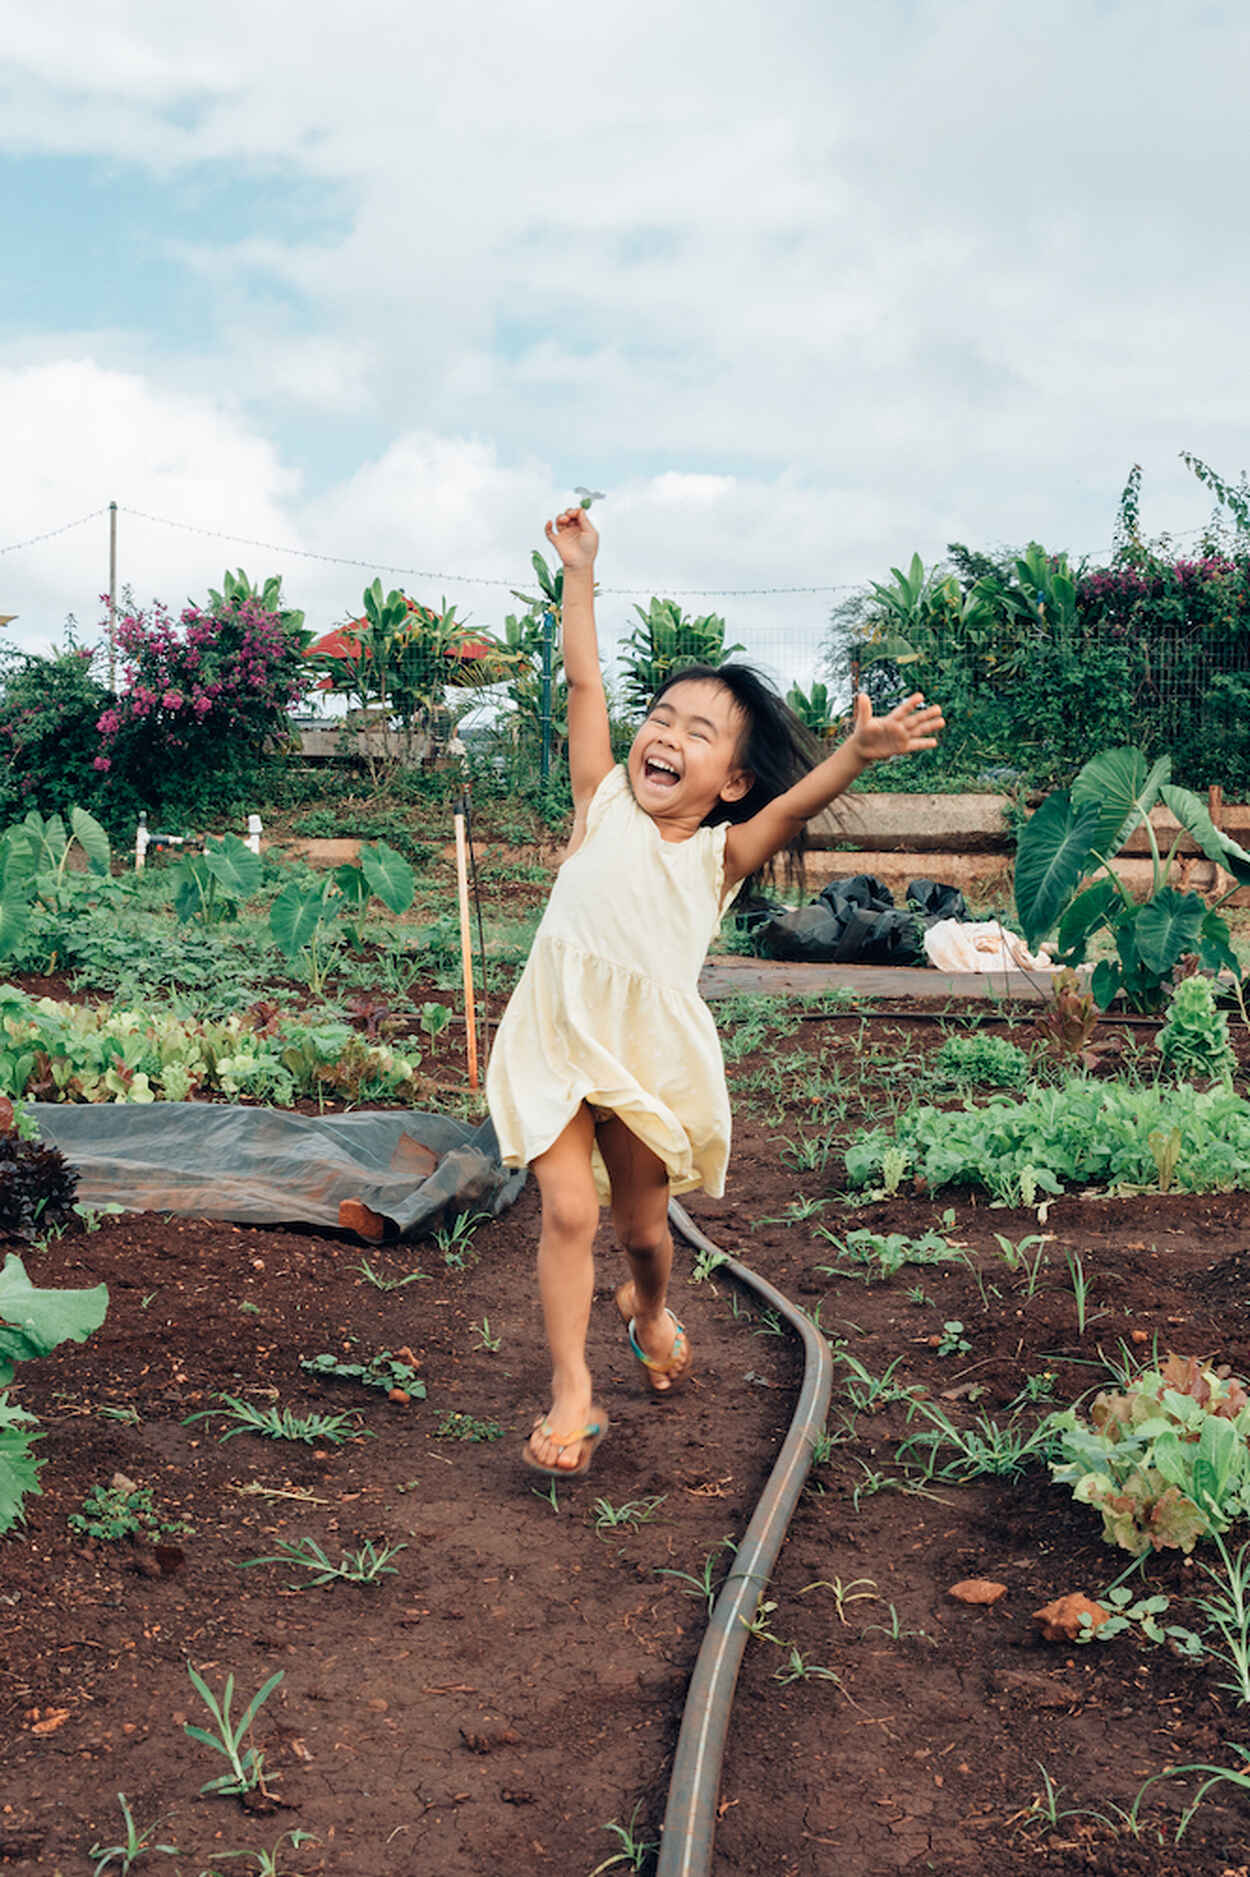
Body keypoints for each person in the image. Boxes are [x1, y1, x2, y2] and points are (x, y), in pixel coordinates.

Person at [487, 507, 944, 1476]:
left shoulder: (716, 856)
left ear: (729, 778)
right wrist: (579, 571)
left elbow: (792, 804)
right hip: (556, 1034)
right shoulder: (599, 797)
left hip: (642, 1054)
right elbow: (582, 679)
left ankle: (647, 1309)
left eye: (697, 733)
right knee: (567, 1208)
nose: (663, 736)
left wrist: (856, 753)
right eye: (660, 717)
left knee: (642, 1229)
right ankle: (572, 1389)